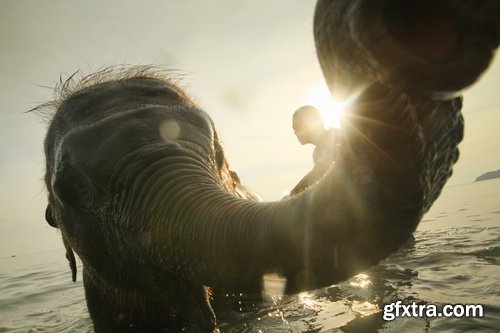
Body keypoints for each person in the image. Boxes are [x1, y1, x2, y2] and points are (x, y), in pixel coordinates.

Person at [289, 105, 340, 196]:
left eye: (297, 126)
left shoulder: (334, 136)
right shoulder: (316, 153)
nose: (295, 132)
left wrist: (290, 196)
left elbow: (319, 171)